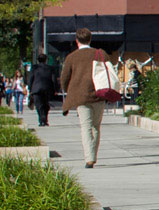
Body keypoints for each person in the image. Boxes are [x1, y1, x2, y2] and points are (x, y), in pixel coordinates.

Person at [59, 27, 112, 168]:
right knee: (96, 126)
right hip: (99, 95)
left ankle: (89, 158)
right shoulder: (100, 54)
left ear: (77, 41)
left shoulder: (71, 57)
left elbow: (64, 78)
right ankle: (93, 155)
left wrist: (68, 90)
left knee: (85, 127)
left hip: (81, 97)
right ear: (90, 39)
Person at [28, 54, 56, 127]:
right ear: (46, 60)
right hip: (47, 88)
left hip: (36, 89)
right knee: (45, 104)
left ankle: (41, 119)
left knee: (39, 105)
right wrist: (54, 89)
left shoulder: (34, 68)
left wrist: (30, 88)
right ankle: (45, 119)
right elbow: (53, 80)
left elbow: (31, 78)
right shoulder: (50, 68)